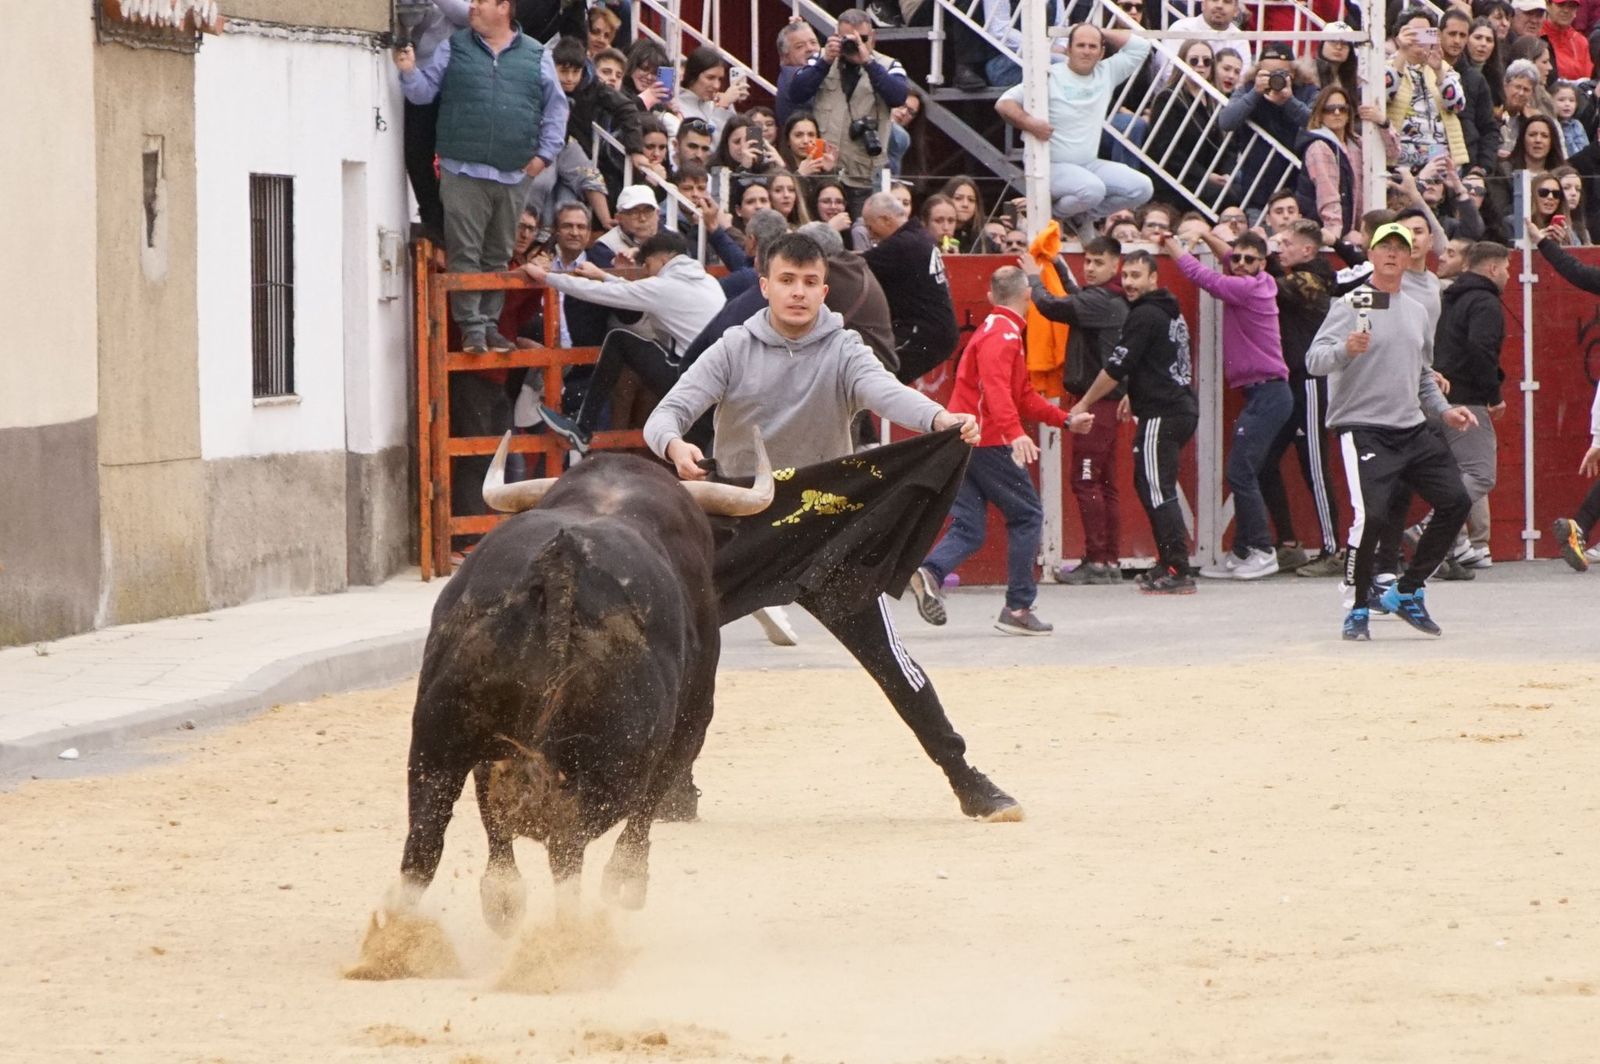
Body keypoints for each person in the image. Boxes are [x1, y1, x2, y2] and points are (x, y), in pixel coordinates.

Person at [642, 232, 1023, 822]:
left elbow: (887, 394)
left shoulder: (844, 348)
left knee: (890, 661)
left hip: (825, 523)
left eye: (810, 282)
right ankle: (673, 782)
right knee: (688, 648)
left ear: (824, 288)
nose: (798, 293)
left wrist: (940, 417)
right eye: (786, 281)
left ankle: (965, 778)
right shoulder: (731, 347)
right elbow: (666, 413)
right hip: (742, 521)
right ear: (764, 285)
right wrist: (672, 444)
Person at [1305, 222, 1476, 640]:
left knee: (1456, 500)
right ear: (1372, 254)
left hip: (1411, 426)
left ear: (1411, 256)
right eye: (1385, 247)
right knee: (1373, 517)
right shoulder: (1355, 301)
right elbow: (1313, 360)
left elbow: (1421, 375)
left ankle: (1408, 590)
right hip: (1363, 427)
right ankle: (1357, 606)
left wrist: (1444, 411)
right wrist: (1346, 350)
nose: (1393, 254)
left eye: (1401, 248)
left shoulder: (1417, 308)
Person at [910, 266, 1094, 635]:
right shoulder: (1006, 336)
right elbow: (999, 391)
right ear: (1028, 295)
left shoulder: (993, 330)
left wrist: (1064, 420)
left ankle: (930, 572)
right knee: (1027, 515)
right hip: (987, 441)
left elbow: (1020, 395)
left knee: (971, 526)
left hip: (962, 438)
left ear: (993, 298)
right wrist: (1014, 433)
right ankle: (1018, 608)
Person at [395, 0, 571, 355]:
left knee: (498, 252)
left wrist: (543, 157)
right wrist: (410, 71)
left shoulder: (537, 54)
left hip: (512, 172)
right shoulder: (453, 46)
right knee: (465, 252)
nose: (471, 7)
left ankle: (489, 325)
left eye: (480, 2)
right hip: (462, 169)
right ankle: (473, 329)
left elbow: (557, 107)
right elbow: (423, 93)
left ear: (503, 7)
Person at [1067, 249, 1200, 594]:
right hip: (1175, 407)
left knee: (1157, 488)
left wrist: (1083, 402)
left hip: (1163, 412)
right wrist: (1134, 393)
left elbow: (1115, 368)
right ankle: (1167, 563)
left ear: (1154, 279)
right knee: (1151, 486)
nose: (1128, 283)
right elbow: (1161, 359)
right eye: (1125, 276)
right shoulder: (1168, 310)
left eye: (1136, 276)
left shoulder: (1145, 315)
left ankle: (1177, 568)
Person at [527, 230, 724, 450]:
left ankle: (582, 428)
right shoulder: (709, 281)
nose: (648, 273)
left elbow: (596, 293)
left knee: (619, 338)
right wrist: (603, 275)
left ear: (663, 260)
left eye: (648, 266)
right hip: (718, 384)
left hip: (691, 379)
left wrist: (547, 277)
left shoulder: (662, 286)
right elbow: (637, 291)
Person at [1172, 230, 1294, 579]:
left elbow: (1201, 276)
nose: (1238, 264)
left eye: (1248, 260)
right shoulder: (1257, 279)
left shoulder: (1248, 287)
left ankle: (1260, 549)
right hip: (1264, 393)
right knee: (1246, 471)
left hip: (1267, 393)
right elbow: (1228, 259)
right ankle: (1243, 551)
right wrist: (1210, 235)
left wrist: (1175, 249)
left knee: (1240, 472)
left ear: (1262, 264)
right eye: (1236, 258)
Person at [1023, 236, 1130, 584]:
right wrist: (1057, 265)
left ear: (1116, 265)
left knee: (1085, 480)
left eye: (1099, 263)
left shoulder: (1101, 300)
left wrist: (1034, 278)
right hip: (1109, 402)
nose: (1091, 268)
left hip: (1094, 402)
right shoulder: (1108, 297)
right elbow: (1076, 298)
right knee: (1105, 482)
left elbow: (1054, 307)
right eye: (1088, 261)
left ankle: (1098, 560)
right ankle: (1108, 559)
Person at [994, 21, 1154, 235]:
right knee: (1093, 190)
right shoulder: (1049, 75)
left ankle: (1078, 217)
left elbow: (1140, 46)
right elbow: (1004, 104)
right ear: (1068, 49)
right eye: (1080, 45)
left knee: (1142, 187)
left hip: (1088, 164)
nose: (1086, 51)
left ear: (1101, 51)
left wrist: (1095, 30)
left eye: (1092, 46)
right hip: (1050, 165)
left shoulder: (1107, 72)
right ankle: (1057, 216)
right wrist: (1030, 124)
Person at [1258, 219, 1344, 577]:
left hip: (1310, 380)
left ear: (1308, 250)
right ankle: (1290, 544)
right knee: (1265, 461)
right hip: (1294, 380)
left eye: (1288, 244)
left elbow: (1264, 285)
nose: (1282, 248)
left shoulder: (1309, 280)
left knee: (1315, 466)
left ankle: (1332, 549)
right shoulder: (1306, 274)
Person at [1431, 240, 1510, 565]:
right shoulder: (1485, 303)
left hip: (1440, 395)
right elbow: (1481, 349)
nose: (1508, 275)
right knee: (1480, 474)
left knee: (1455, 470)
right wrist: (1493, 394)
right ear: (1492, 268)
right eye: (1506, 268)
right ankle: (1430, 528)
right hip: (1467, 397)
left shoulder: (1451, 298)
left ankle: (1455, 544)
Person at [786, 9, 909, 216]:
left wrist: (868, 61)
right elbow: (796, 93)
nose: (855, 44)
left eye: (862, 38)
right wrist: (824, 62)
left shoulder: (888, 65)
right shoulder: (822, 59)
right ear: (836, 37)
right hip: (824, 175)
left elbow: (898, 96)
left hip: (866, 179)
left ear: (873, 38)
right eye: (847, 39)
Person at [860, 191, 960, 384]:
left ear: (885, 219)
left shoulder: (902, 245)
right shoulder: (919, 237)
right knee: (879, 380)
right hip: (935, 332)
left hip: (922, 333)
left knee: (871, 377)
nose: (868, 232)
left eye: (869, 225)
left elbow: (851, 268)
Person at [1296, 84, 1401, 245]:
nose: (1337, 113)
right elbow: (1327, 195)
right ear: (1320, 113)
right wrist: (1337, 237)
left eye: (1342, 108)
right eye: (1329, 109)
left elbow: (1392, 152)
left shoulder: (1356, 142)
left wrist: (1382, 122)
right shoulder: (1319, 146)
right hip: (1332, 232)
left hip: (1357, 230)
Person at [1216, 42, 1314, 214]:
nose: (1274, 78)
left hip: (1299, 185)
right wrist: (1255, 93)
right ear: (1257, 72)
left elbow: (1316, 123)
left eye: (1281, 73)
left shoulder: (1307, 91)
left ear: (1293, 72)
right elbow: (1226, 121)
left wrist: (1289, 101)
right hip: (1257, 188)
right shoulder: (1249, 89)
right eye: (1267, 73)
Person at [1385, 7, 1469, 173]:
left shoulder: (1444, 69)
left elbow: (1457, 105)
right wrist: (1402, 52)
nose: (1418, 38)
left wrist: (1438, 71)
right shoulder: (1388, 66)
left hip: (1437, 158)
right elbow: (1384, 95)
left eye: (1425, 33)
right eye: (1413, 33)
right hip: (1399, 162)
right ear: (1399, 36)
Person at [673, 47, 746, 143]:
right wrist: (722, 108)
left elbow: (735, 141)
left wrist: (728, 106)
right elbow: (707, 145)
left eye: (720, 79)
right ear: (692, 76)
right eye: (710, 78)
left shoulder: (715, 104)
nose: (717, 85)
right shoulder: (676, 106)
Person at [595, 184, 661, 259]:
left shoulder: (672, 237)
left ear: (658, 214)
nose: (642, 219)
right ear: (619, 218)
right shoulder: (604, 246)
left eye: (648, 211)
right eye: (634, 213)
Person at [1544, 0, 1592, 78]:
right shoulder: (1538, 35)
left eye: (1571, 6)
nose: (1566, 10)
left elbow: (1588, 77)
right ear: (1548, 5)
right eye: (1561, 5)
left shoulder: (1580, 41)